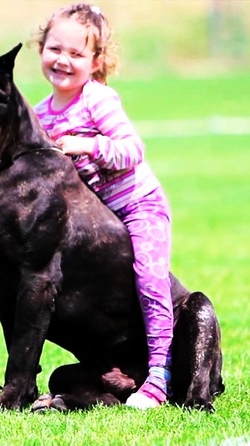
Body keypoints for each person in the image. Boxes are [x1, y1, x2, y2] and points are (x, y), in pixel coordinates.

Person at [33, 3, 174, 409]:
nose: (63, 60)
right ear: (41, 48)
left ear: (95, 62)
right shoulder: (40, 114)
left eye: (77, 54)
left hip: (138, 206)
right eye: (55, 49)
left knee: (149, 280)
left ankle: (160, 375)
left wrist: (88, 144)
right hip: (98, 224)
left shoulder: (98, 99)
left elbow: (133, 150)